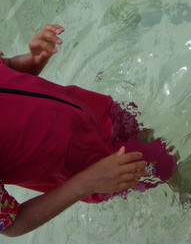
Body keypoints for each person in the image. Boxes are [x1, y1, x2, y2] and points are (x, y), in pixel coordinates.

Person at [0, 24, 178, 237]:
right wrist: (87, 183)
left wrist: (32, 60)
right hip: (90, 164)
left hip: (95, 111)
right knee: (171, 167)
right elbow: (11, 224)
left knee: (153, 140)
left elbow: (7, 67)